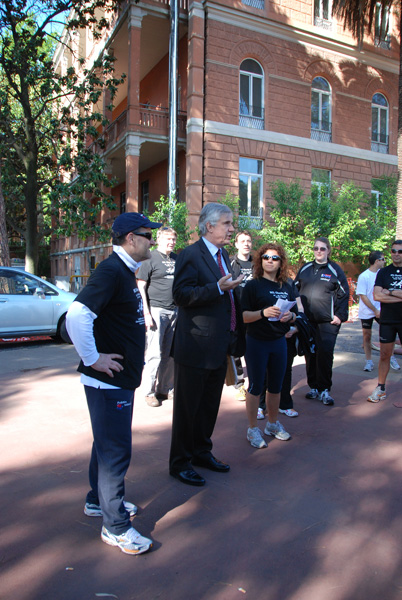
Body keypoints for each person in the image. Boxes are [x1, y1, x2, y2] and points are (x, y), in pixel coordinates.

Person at [66, 212, 161, 556]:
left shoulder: (123, 271)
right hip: (108, 382)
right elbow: (77, 315)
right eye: (148, 235)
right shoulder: (111, 271)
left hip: (116, 382)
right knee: (115, 452)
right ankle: (116, 527)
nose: (152, 239)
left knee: (106, 445)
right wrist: (93, 359)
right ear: (130, 239)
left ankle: (97, 501)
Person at [169, 203, 245, 486]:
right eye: (227, 223)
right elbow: (180, 295)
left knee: (209, 406)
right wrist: (217, 289)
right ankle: (179, 463)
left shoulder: (223, 254)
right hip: (195, 347)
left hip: (218, 345)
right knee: (187, 409)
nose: (231, 228)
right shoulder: (190, 254)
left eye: (231, 223)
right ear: (209, 226)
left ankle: (202, 452)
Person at [242, 243, 298, 449]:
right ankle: (252, 428)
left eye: (275, 258)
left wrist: (291, 316)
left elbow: (296, 312)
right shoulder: (253, 285)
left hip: (279, 342)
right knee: (256, 386)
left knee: (276, 387)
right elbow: (243, 317)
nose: (270, 260)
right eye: (266, 257)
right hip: (256, 342)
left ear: (281, 262)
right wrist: (263, 313)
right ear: (260, 260)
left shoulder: (287, 285)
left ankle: (272, 425)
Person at [294, 236, 349, 406]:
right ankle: (314, 387)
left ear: (328, 251)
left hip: (327, 322)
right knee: (310, 354)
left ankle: (324, 389)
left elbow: (344, 293)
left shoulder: (334, 270)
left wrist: (340, 316)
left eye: (322, 248)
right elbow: (294, 290)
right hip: (308, 322)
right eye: (316, 248)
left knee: (325, 354)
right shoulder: (306, 269)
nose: (319, 251)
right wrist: (298, 313)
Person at [137, 227, 178, 407]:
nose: (171, 242)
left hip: (175, 311)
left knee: (169, 354)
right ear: (159, 239)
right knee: (155, 353)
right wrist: (146, 312)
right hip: (156, 310)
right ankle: (149, 392)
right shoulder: (150, 258)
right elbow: (141, 286)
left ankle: (165, 388)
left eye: (173, 239)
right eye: (168, 239)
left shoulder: (176, 258)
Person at [367, 240, 402, 402]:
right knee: (384, 355)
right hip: (387, 320)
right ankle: (380, 388)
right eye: (394, 251)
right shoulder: (383, 272)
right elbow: (377, 295)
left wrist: (391, 292)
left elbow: (384, 295)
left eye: (400, 252)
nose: (396, 254)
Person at [230, 230, 254, 400]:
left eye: (249, 241)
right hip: (237, 314)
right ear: (236, 244)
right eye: (242, 241)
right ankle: (239, 384)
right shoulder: (230, 264)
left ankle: (254, 383)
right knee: (237, 351)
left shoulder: (258, 264)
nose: (246, 243)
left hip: (255, 315)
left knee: (253, 350)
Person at [356, 250, 385, 372]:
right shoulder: (364, 276)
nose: (384, 261)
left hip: (381, 310)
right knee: (367, 336)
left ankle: (390, 357)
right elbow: (363, 296)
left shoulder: (383, 274)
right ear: (377, 261)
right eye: (383, 259)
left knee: (386, 335)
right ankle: (369, 362)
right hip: (367, 311)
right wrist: (374, 310)